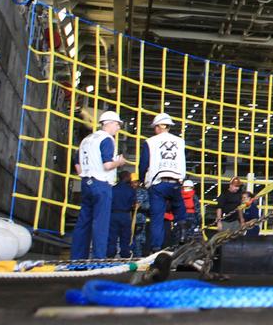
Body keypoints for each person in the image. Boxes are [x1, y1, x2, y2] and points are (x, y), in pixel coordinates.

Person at [70, 110, 129, 260]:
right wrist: (120, 162)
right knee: (101, 224)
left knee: (83, 223)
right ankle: (98, 258)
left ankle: (77, 259)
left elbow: (77, 164)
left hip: (86, 183)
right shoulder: (107, 139)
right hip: (101, 184)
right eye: (117, 124)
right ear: (109, 123)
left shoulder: (86, 140)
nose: (118, 128)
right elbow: (108, 165)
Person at [140, 112, 187, 252]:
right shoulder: (180, 141)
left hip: (158, 183)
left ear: (159, 126)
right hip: (176, 181)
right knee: (181, 212)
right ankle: (182, 237)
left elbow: (144, 164)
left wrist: (143, 180)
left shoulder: (150, 142)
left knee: (157, 218)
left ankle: (156, 248)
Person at [108, 170, 138, 258]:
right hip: (125, 215)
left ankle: (110, 253)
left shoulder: (112, 189)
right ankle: (125, 253)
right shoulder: (131, 190)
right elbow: (133, 203)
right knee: (125, 236)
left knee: (112, 236)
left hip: (113, 214)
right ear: (127, 178)